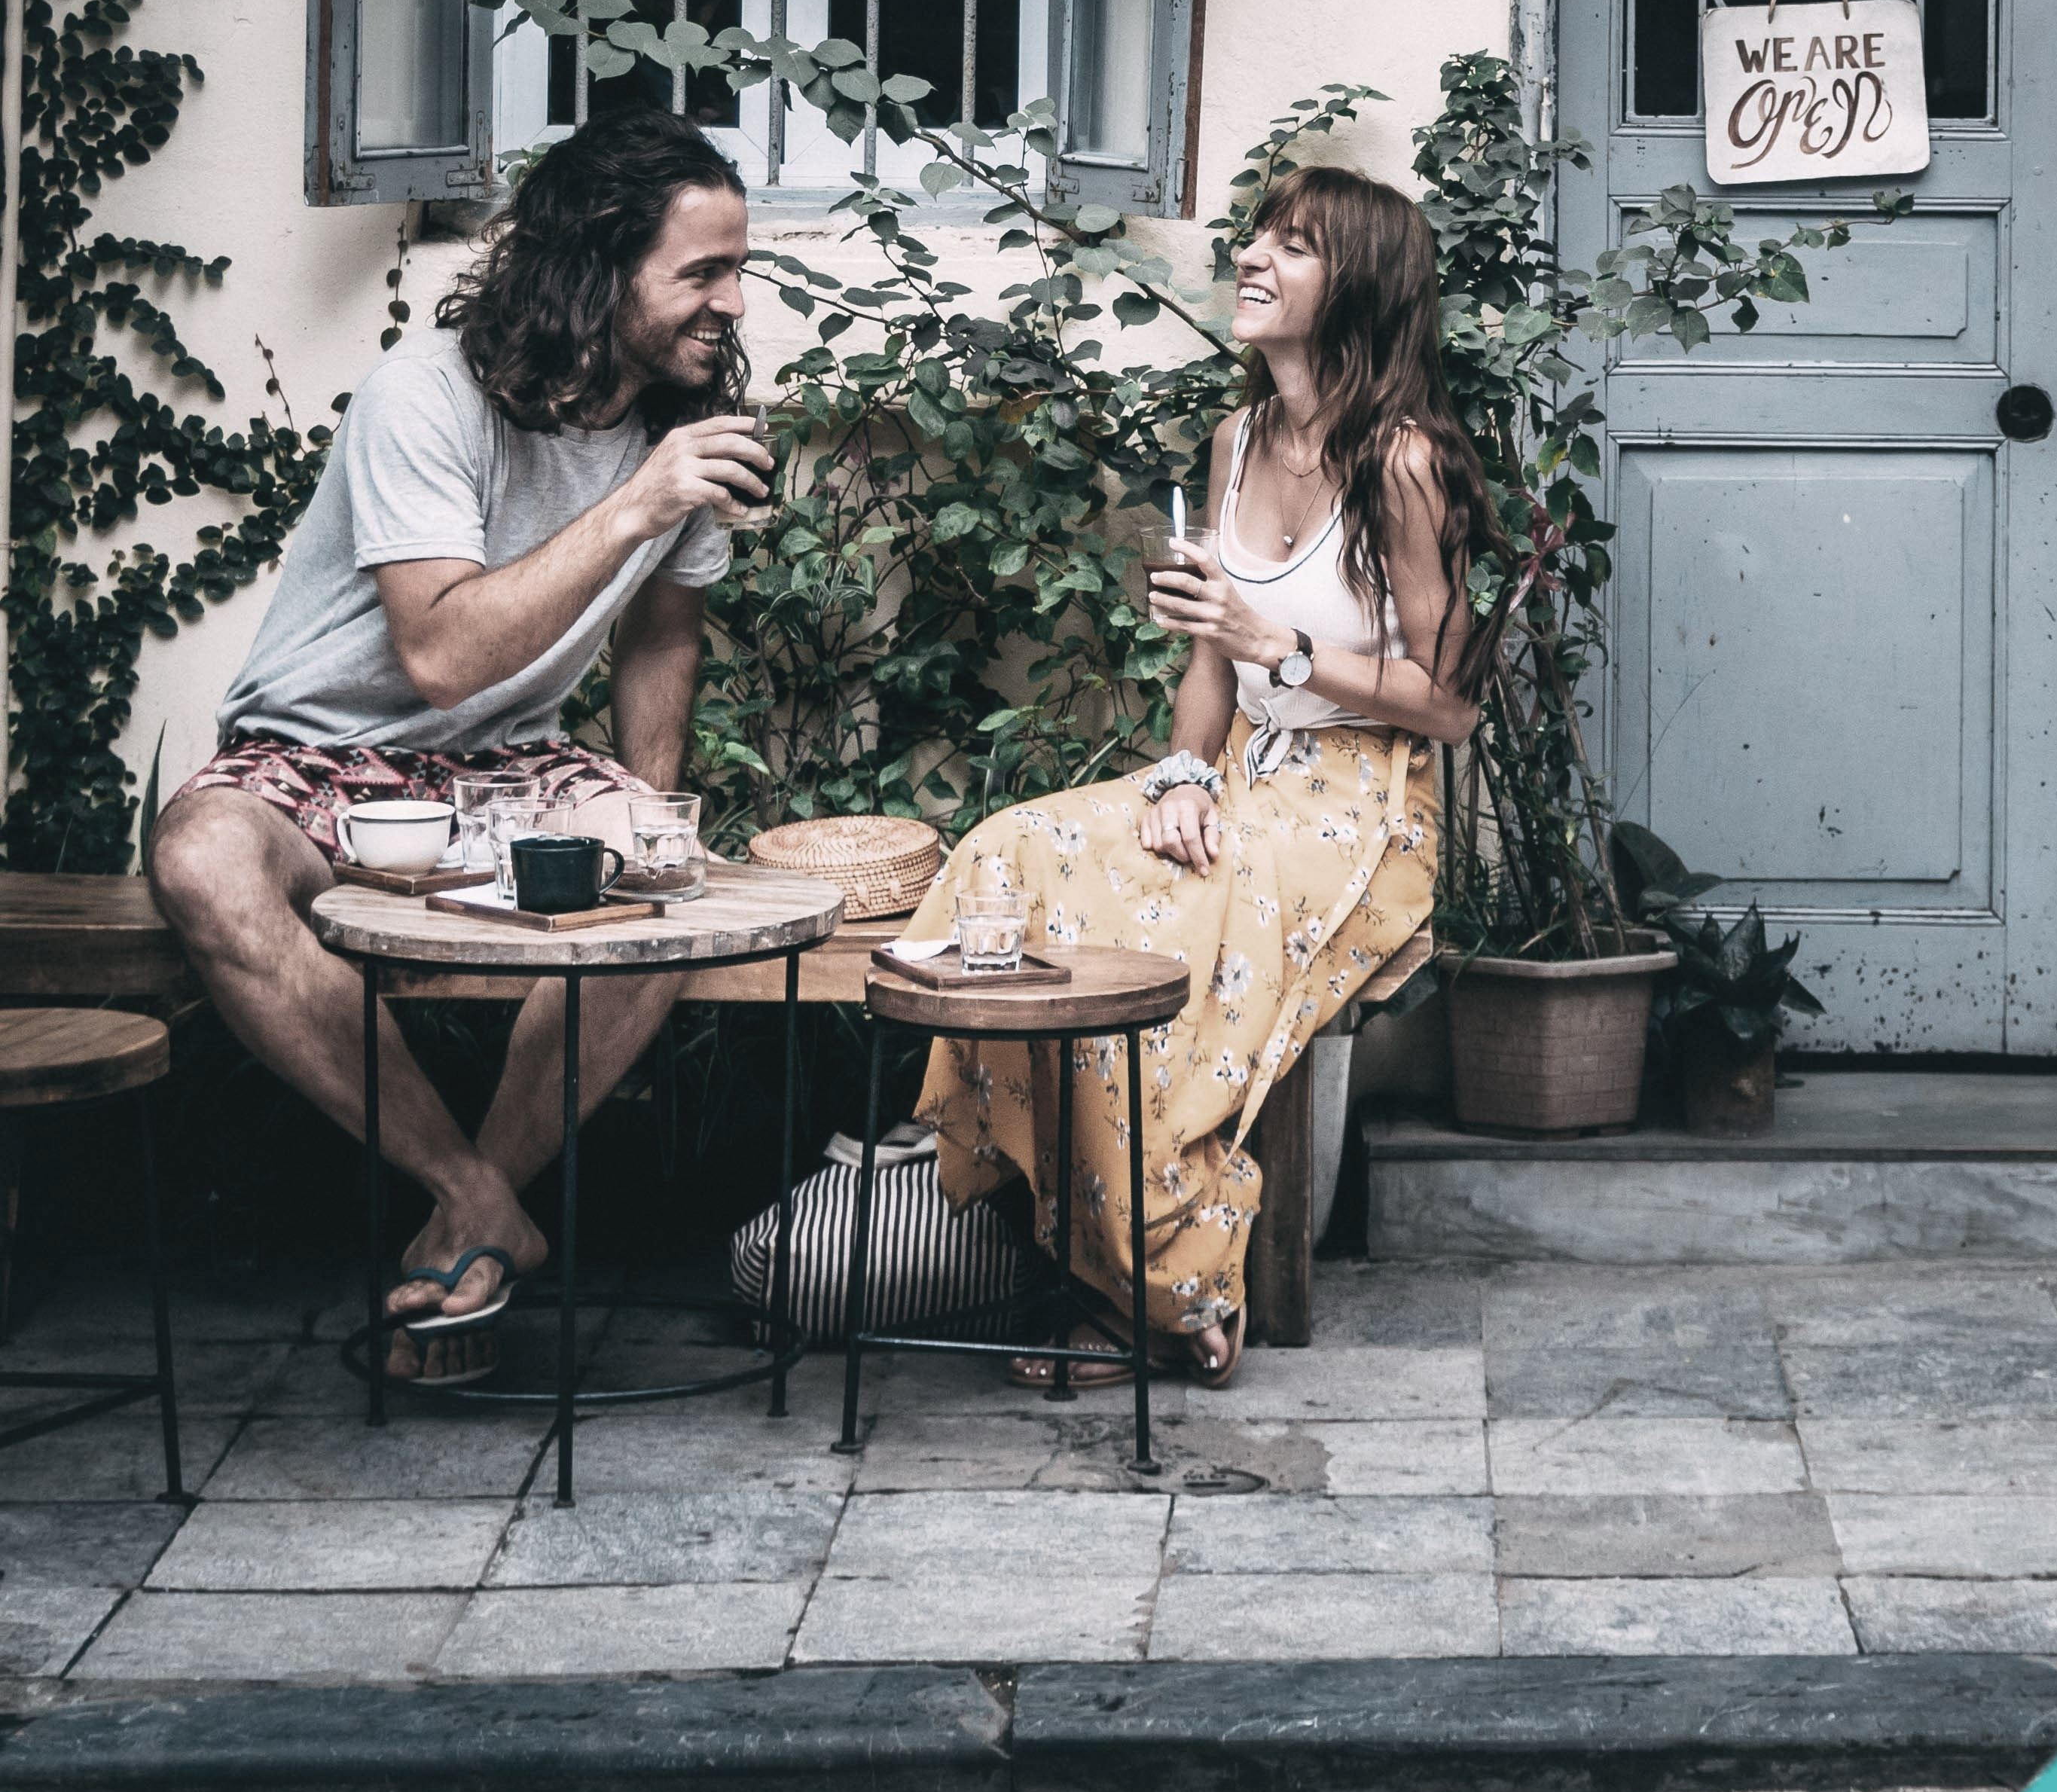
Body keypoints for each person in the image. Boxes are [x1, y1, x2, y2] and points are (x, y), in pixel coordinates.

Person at [148, 111, 774, 1378]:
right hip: (316, 750)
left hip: (506, 760)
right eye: (702, 272)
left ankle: (463, 1231)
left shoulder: (686, 409)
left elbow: (663, 634)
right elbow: (439, 653)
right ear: (599, 269)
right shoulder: (426, 393)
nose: (734, 300)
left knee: (669, 883)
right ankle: (476, 1198)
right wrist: (637, 499)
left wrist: (647, 808)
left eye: (737, 266)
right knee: (201, 860)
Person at [914, 166, 1488, 1382]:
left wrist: (1281, 641)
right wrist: (1180, 774)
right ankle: (1103, 1239)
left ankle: (1162, 1288)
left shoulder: (1402, 462)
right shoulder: (1236, 439)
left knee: (1181, 927)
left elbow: (1445, 702)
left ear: (1361, 286)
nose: (1254, 254)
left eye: (1294, 243)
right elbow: (1206, 669)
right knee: (1015, 852)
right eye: (1257, 233)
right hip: (1236, 769)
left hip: (1360, 801)